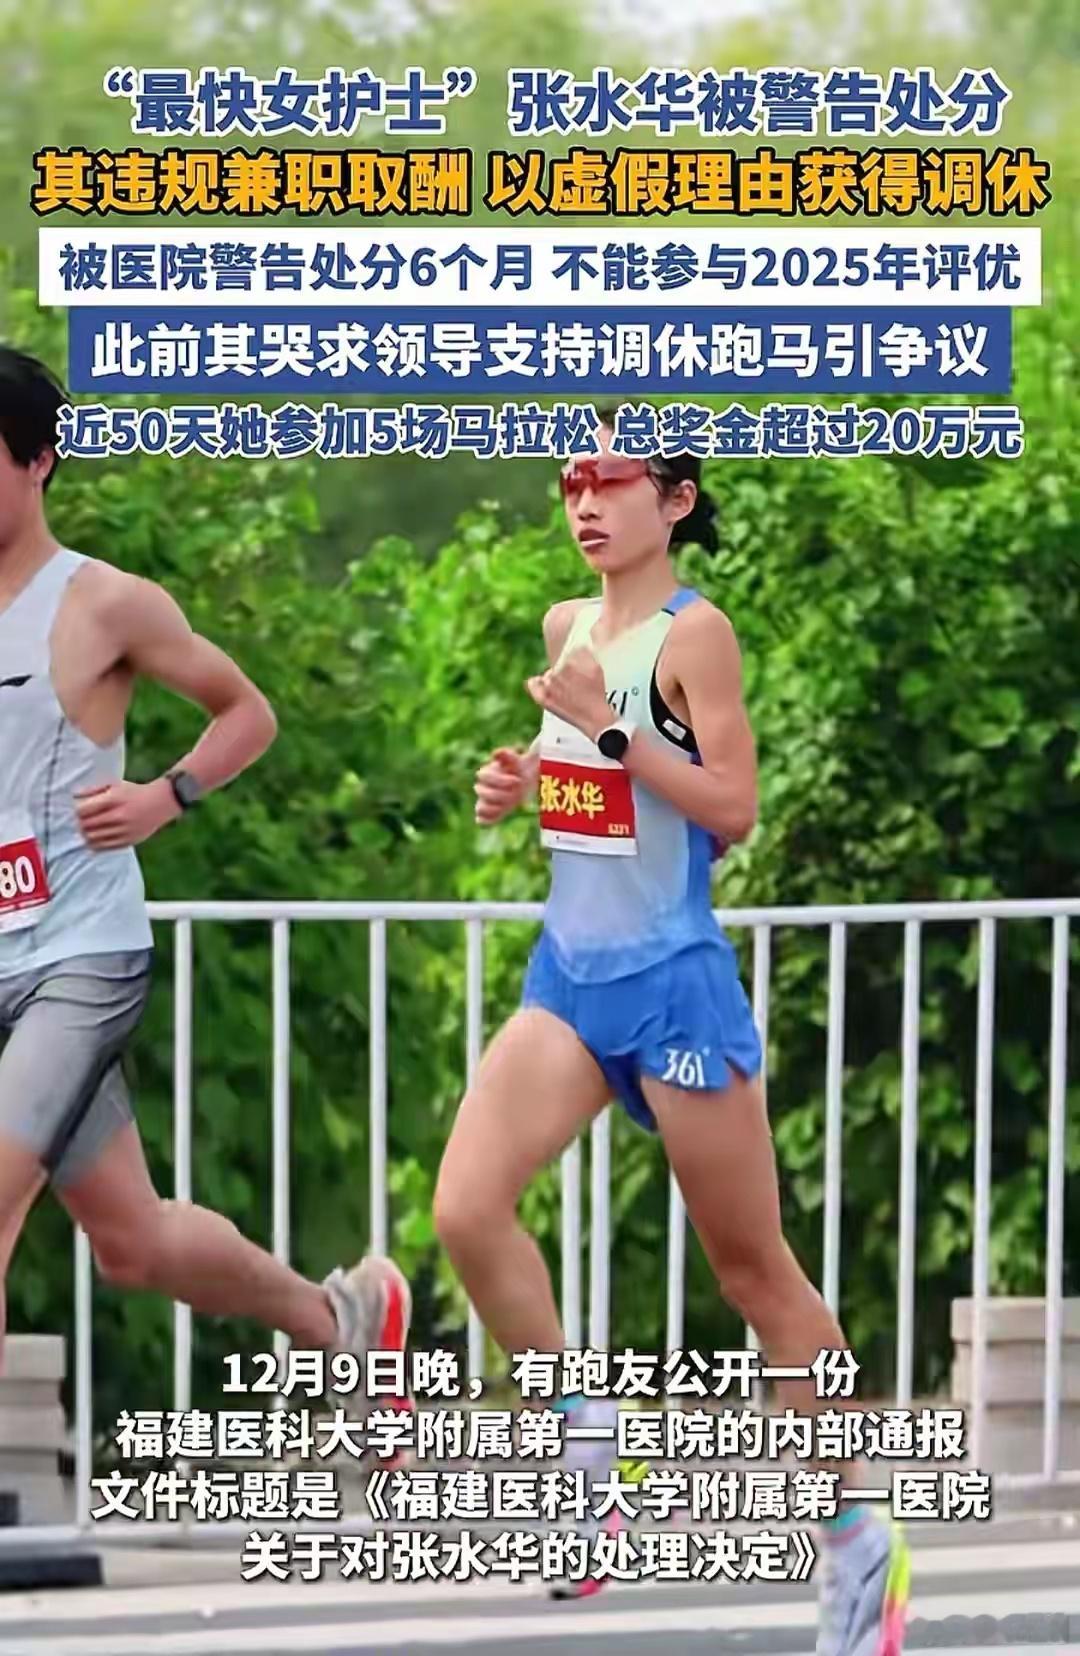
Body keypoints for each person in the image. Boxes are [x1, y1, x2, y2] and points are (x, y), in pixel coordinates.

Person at [435, 410, 910, 1653]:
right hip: (570, 978)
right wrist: (521, 783)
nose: (585, 502)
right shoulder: (566, 627)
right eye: (569, 481)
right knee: (467, 1208)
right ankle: (585, 1444)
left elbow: (732, 809)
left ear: (676, 499)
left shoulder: (697, 634)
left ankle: (858, 1533)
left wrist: (610, 729)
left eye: (611, 479)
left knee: (754, 1272)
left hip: (674, 984)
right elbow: (595, 794)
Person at [0, 345, 408, 1401]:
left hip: (76, 956)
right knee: (130, 1243)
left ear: (39, 461)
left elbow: (247, 713)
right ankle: (337, 1319)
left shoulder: (103, 603)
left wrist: (164, 797)